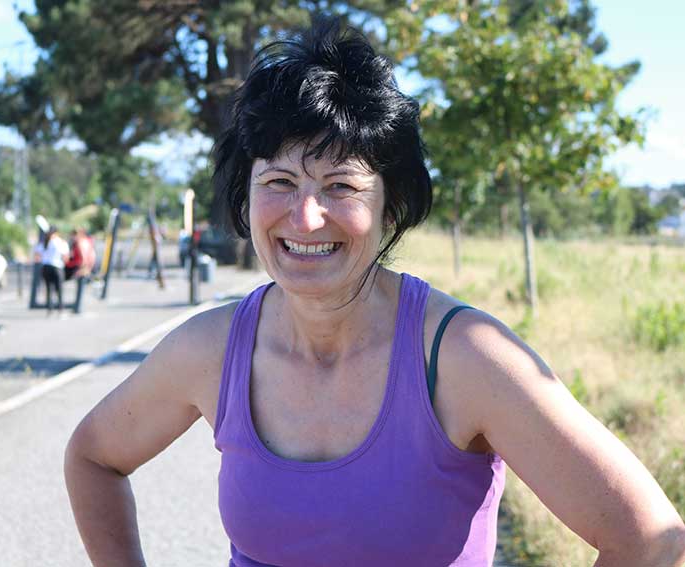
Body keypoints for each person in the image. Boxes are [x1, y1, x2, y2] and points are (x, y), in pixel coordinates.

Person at [64, 17, 685, 567]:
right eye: (279, 182)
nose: (306, 218)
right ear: (244, 197)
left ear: (390, 207)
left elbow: (651, 541)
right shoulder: (213, 349)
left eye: (340, 186)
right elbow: (93, 458)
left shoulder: (463, 358)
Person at [39, 226, 69, 315]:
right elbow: (65, 256)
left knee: (49, 288)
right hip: (57, 266)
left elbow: (38, 255)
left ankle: (49, 308)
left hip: (46, 267)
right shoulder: (60, 242)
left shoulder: (45, 242)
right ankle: (60, 308)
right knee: (59, 289)